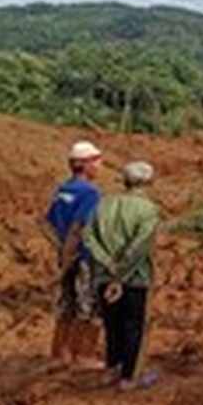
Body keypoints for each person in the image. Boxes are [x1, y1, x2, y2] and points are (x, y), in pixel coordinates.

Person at [84, 161, 160, 390]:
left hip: (103, 275)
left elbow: (88, 237)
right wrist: (121, 274)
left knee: (112, 324)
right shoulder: (148, 209)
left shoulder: (104, 204)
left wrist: (107, 264)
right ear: (148, 182)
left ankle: (111, 368)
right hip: (134, 277)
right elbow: (139, 247)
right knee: (133, 326)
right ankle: (129, 376)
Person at [43, 140, 104, 369]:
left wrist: (60, 250)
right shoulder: (90, 193)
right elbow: (78, 228)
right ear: (86, 164)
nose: (99, 165)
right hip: (83, 257)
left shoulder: (63, 189)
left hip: (66, 255)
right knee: (88, 306)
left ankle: (60, 354)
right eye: (96, 161)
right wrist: (70, 254)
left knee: (66, 305)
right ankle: (84, 354)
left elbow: (46, 223)